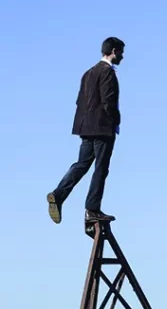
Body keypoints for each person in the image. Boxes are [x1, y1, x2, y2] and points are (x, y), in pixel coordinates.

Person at [47, 37, 125, 224]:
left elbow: (79, 101)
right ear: (114, 51)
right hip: (102, 128)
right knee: (101, 168)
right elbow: (108, 102)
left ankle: (58, 194)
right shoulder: (107, 73)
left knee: (81, 164)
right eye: (121, 52)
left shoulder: (88, 73)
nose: (122, 57)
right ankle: (92, 209)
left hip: (86, 127)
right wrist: (115, 121)